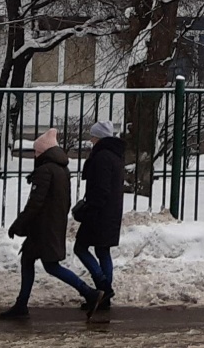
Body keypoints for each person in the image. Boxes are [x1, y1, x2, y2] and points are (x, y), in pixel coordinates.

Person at [1, 128, 104, 319]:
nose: (35, 155)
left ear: (43, 152)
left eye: (36, 152)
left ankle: (89, 293)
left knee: (50, 265)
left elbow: (35, 203)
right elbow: (64, 200)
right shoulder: (62, 169)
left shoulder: (45, 171)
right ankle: (21, 304)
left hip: (43, 228)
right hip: (52, 224)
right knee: (30, 260)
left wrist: (19, 224)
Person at [75, 121, 125, 311]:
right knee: (103, 251)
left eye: (93, 136)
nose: (91, 140)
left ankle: (103, 287)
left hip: (99, 213)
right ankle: (104, 297)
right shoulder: (114, 155)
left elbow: (100, 189)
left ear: (100, 138)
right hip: (110, 212)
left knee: (80, 248)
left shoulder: (102, 157)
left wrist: (90, 209)